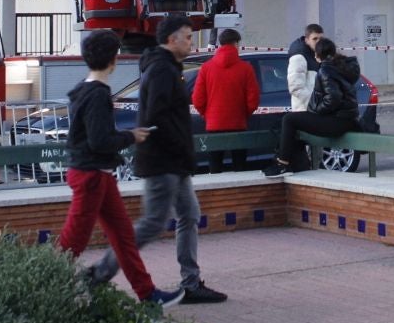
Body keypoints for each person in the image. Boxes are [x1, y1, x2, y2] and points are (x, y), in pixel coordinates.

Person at [86, 16, 228, 303]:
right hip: (163, 162)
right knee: (153, 222)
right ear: (172, 39)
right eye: (187, 37)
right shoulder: (162, 70)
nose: (190, 43)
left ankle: (190, 283)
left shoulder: (168, 68)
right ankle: (99, 273)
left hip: (175, 162)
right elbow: (155, 118)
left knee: (188, 215)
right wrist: (176, 148)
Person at [57, 30, 182, 307]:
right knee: (73, 241)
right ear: (114, 60)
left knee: (124, 237)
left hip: (96, 175)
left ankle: (148, 294)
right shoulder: (98, 94)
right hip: (91, 176)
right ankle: (45, 289)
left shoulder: (82, 89)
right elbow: (100, 141)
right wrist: (131, 137)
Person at [266, 38, 360, 174]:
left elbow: (333, 98)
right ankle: (298, 165)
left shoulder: (326, 70)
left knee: (289, 120)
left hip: (336, 122)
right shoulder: (341, 67)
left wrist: (317, 110)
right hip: (346, 121)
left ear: (317, 55)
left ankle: (282, 163)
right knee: (293, 122)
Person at [191, 28, 260, 173]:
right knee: (240, 169)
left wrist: (208, 115)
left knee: (215, 170)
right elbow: (253, 99)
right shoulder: (246, 68)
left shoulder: (206, 68)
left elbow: (197, 99)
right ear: (236, 44)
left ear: (220, 44)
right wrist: (243, 114)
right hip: (239, 125)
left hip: (214, 125)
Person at [285, 23, 324, 112]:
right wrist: (316, 104)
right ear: (307, 40)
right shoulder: (299, 57)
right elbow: (295, 87)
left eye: (321, 39)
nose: (318, 42)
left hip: (317, 111)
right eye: (315, 39)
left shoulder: (320, 55)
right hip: (306, 111)